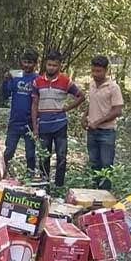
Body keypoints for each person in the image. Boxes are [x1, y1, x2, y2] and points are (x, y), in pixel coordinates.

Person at [31, 50, 84, 187]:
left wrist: (67, 108)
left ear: (59, 66)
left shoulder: (65, 81)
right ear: (45, 64)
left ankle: (59, 186)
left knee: (61, 157)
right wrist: (35, 126)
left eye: (54, 65)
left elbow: (81, 96)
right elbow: (34, 104)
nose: (51, 68)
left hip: (60, 124)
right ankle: (44, 186)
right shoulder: (37, 82)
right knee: (43, 157)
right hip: (43, 125)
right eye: (49, 64)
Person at [84, 55, 123, 190]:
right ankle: (95, 192)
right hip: (92, 131)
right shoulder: (92, 84)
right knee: (94, 163)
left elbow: (117, 110)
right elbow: (91, 103)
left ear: (106, 70)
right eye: (93, 71)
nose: (95, 74)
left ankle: (105, 194)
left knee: (106, 165)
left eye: (99, 71)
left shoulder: (113, 87)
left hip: (106, 132)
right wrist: (85, 117)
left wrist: (98, 122)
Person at [2, 49, 39, 177]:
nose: (27, 65)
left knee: (30, 153)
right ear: (21, 62)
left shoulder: (37, 79)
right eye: (25, 62)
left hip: (30, 122)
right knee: (9, 151)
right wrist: (6, 81)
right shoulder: (16, 76)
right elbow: (5, 94)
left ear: (35, 64)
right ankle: (1, 173)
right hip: (15, 121)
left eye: (30, 62)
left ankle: (30, 176)